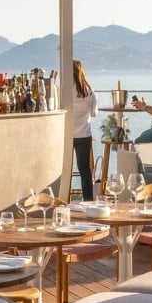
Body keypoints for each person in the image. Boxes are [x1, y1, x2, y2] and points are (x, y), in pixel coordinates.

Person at [69, 60, 98, 200]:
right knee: (85, 171)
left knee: (64, 170)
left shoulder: (64, 90)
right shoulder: (90, 91)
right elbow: (94, 114)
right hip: (84, 135)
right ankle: (88, 201)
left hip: (66, 136)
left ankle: (62, 200)